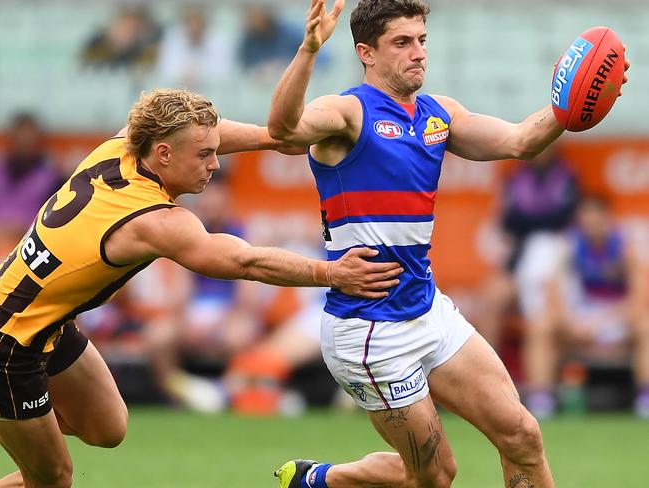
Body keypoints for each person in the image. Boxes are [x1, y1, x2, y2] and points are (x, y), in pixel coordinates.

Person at [267, 1, 628, 487]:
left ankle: (316, 480)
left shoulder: (439, 115)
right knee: (435, 475)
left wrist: (573, 102)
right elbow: (283, 128)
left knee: (522, 434)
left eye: (421, 40)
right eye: (402, 43)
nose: (418, 53)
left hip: (427, 311)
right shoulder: (347, 113)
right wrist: (309, 50)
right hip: (370, 332)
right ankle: (321, 481)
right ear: (366, 53)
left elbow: (521, 140)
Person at [0, 88, 403, 488]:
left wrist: (274, 139)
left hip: (42, 322)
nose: (214, 163)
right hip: (10, 341)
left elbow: (204, 132)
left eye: (215, 150)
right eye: (204, 155)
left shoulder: (123, 144)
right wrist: (331, 273)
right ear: (165, 155)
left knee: (107, 427)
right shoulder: (154, 221)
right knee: (53, 478)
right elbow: (245, 261)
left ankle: (19, 423)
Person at [522, 194, 649, 419]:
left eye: (597, 221)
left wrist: (605, 321)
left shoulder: (624, 247)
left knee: (646, 325)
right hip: (582, 316)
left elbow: (639, 297)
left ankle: (645, 395)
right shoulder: (569, 245)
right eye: (586, 221)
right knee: (541, 324)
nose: (592, 227)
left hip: (615, 315)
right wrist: (569, 322)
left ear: (608, 218)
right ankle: (541, 397)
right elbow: (551, 290)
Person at [477, 144, 580, 349]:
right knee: (491, 298)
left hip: (553, 255)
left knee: (544, 313)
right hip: (520, 252)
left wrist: (530, 221)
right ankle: (487, 367)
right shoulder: (516, 177)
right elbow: (508, 220)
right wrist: (538, 220)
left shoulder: (567, 176)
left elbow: (563, 219)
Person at [0, 113, 64, 249]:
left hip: (26, 249)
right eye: (20, 139)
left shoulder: (53, 179)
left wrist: (19, 230)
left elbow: (54, 225)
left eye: (29, 140)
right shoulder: (1, 170)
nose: (25, 144)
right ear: (12, 140)